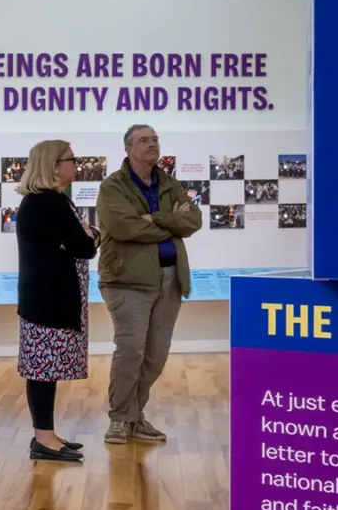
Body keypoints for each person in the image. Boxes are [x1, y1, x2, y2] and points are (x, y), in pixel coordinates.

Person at [94, 124, 200, 446]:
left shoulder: (169, 183)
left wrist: (155, 218)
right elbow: (123, 228)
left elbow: (193, 221)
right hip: (127, 281)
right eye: (144, 140)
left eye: (155, 139)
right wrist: (170, 223)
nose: (152, 144)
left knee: (156, 355)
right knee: (131, 350)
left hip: (170, 280)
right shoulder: (112, 187)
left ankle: (134, 416)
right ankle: (119, 418)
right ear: (128, 149)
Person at [12, 139, 94, 465]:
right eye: (71, 159)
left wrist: (83, 239)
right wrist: (85, 238)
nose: (76, 165)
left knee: (45, 368)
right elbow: (85, 246)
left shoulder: (47, 201)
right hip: (47, 298)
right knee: (43, 369)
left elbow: (80, 242)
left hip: (44, 296)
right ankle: (43, 438)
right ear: (52, 165)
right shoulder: (48, 203)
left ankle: (47, 434)